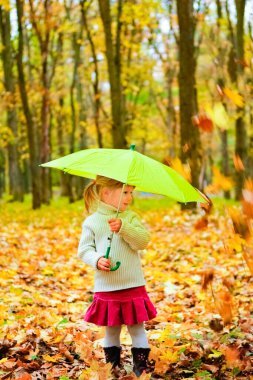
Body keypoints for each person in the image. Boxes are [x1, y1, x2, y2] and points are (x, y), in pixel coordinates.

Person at [77, 175, 157, 377]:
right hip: (107, 286)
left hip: (132, 283)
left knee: (136, 328)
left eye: (131, 192)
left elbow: (143, 241)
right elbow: (84, 250)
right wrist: (96, 260)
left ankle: (141, 366)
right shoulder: (92, 222)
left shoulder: (130, 218)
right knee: (112, 329)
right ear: (106, 193)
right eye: (125, 192)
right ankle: (112, 365)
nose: (130, 197)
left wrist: (124, 228)